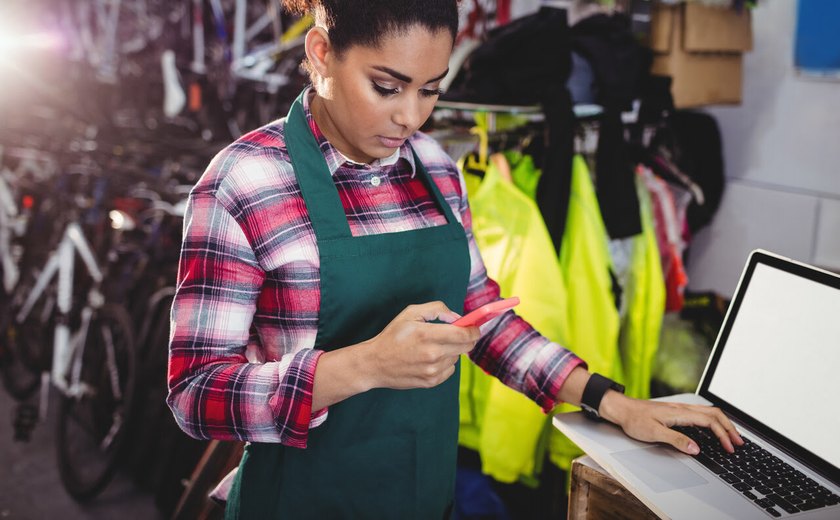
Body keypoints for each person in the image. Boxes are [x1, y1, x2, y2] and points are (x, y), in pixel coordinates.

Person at [166, 0, 743, 518]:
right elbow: (195, 394)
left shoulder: (436, 167)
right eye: (387, 87)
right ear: (321, 53)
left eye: (431, 89)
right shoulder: (247, 182)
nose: (411, 118)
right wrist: (364, 365)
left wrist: (611, 402)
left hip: (422, 495)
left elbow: (482, 319)